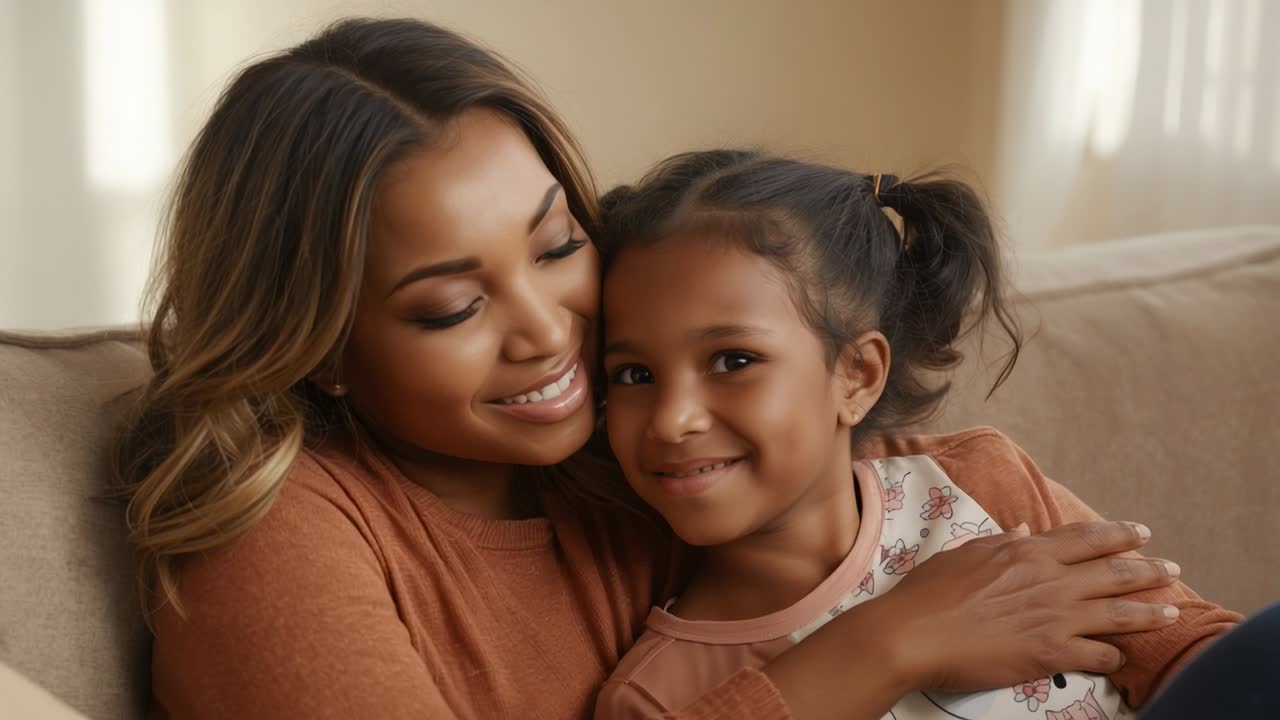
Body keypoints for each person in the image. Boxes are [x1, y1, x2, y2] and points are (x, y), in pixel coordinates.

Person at [114, 18, 1201, 719]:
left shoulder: (638, 452)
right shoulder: (277, 544)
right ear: (319, 346)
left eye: (556, 246)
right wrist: (889, 642)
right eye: (452, 306)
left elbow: (1169, 639)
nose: (549, 332)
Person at [592, 151, 1241, 719]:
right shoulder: (657, 695)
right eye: (634, 374)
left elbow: (1193, 651)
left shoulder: (975, 480)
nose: (671, 418)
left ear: (857, 375)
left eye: (733, 360)